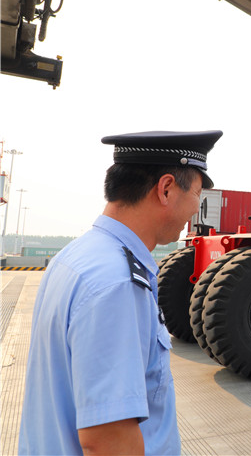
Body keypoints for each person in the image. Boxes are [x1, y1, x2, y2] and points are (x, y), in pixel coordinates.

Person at [18, 130, 222, 455]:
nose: (195, 210)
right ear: (166, 189)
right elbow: (107, 441)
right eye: (197, 194)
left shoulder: (75, 258)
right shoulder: (117, 284)